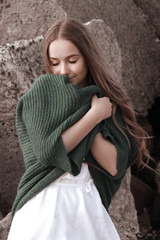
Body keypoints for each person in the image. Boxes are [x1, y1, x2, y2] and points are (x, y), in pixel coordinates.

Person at [7, 18, 151, 240]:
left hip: (88, 205)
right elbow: (48, 152)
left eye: (72, 60)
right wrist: (92, 117)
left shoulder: (104, 102)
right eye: (54, 63)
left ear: (88, 57)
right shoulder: (42, 93)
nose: (63, 70)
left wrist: (94, 111)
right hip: (47, 203)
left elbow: (113, 166)